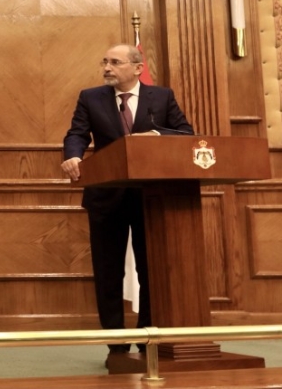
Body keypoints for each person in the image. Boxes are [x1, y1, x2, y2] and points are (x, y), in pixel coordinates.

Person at [60, 44, 193, 365]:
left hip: (151, 196)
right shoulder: (90, 97)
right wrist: (73, 155)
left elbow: (185, 133)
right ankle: (116, 346)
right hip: (107, 194)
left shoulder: (161, 97)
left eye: (115, 62)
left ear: (137, 68)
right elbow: (76, 134)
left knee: (151, 270)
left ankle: (148, 339)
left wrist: (156, 137)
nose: (107, 67)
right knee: (108, 272)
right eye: (104, 62)